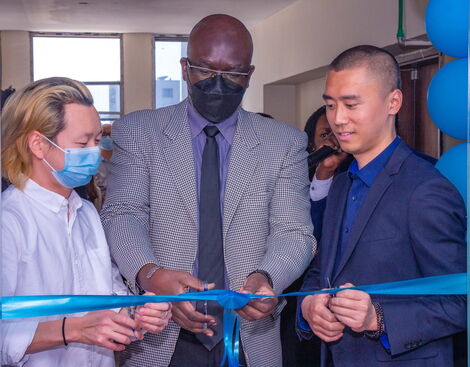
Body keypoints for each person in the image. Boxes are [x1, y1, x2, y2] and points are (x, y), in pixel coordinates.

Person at [100, 14, 315, 367]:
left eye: (233, 73)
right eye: (206, 70)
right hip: (160, 335)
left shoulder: (284, 143)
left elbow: (294, 232)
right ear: (185, 68)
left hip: (250, 337)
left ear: (250, 73)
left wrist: (266, 279)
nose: (218, 84)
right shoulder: (140, 132)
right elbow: (123, 214)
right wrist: (153, 278)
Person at [298, 45, 466, 367]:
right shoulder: (342, 182)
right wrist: (309, 307)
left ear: (393, 102)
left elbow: (460, 298)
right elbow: (322, 271)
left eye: (351, 104)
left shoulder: (426, 189)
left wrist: (379, 317)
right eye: (331, 105)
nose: (338, 119)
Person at [1, 77, 172, 366]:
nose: (94, 152)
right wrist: (74, 329)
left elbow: (107, 291)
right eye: (83, 143)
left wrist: (135, 311)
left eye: (97, 139)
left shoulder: (86, 213)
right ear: (38, 145)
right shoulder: (10, 222)